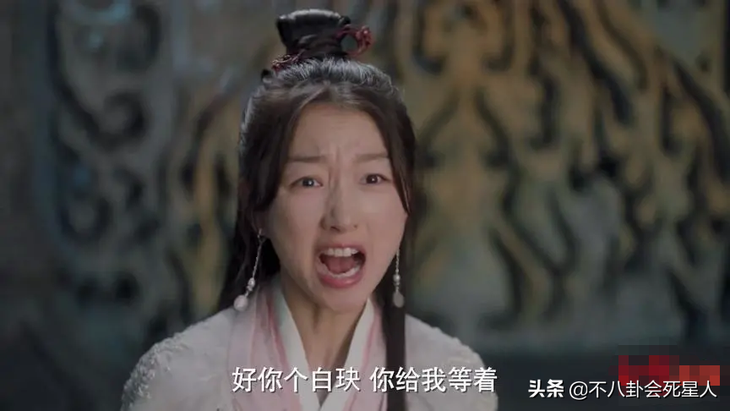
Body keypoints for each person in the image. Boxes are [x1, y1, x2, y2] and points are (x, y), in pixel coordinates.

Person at [120, 9, 497, 411]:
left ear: (406, 199)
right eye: (309, 182)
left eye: (372, 178)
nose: (342, 217)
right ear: (256, 206)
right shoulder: (180, 386)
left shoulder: (453, 386)